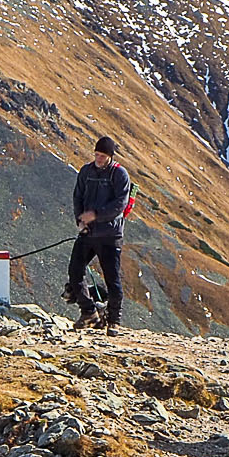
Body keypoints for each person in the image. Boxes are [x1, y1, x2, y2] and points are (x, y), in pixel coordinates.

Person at [65, 135, 130, 331]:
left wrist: (95, 215)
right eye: (96, 154)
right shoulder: (86, 171)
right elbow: (78, 197)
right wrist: (80, 220)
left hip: (110, 235)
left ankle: (114, 321)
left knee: (112, 279)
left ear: (110, 156)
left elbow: (120, 205)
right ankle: (89, 312)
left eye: (102, 155)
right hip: (88, 233)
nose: (98, 159)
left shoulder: (119, 175)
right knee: (75, 271)